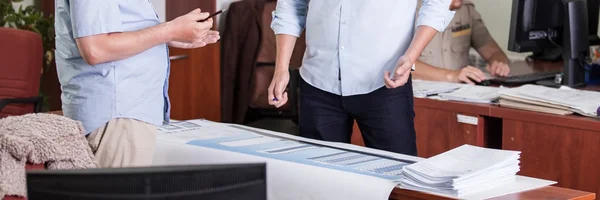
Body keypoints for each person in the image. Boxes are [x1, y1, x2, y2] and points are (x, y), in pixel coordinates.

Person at [267, 0, 455, 155]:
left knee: (395, 179)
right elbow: (291, 4)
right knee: (319, 182)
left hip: (384, 83)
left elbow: (438, 4)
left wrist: (412, 54)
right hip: (318, 82)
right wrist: (281, 68)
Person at [54, 1, 219, 167]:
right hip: (117, 117)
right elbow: (96, 49)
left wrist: (172, 36)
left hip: (121, 116)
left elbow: (111, 33)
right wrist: (169, 31)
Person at [412, 0, 511, 84]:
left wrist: (499, 64)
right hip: (419, 96)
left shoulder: (466, 10)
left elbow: (494, 52)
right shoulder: (410, 9)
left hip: (459, 95)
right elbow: (401, 64)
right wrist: (452, 76)